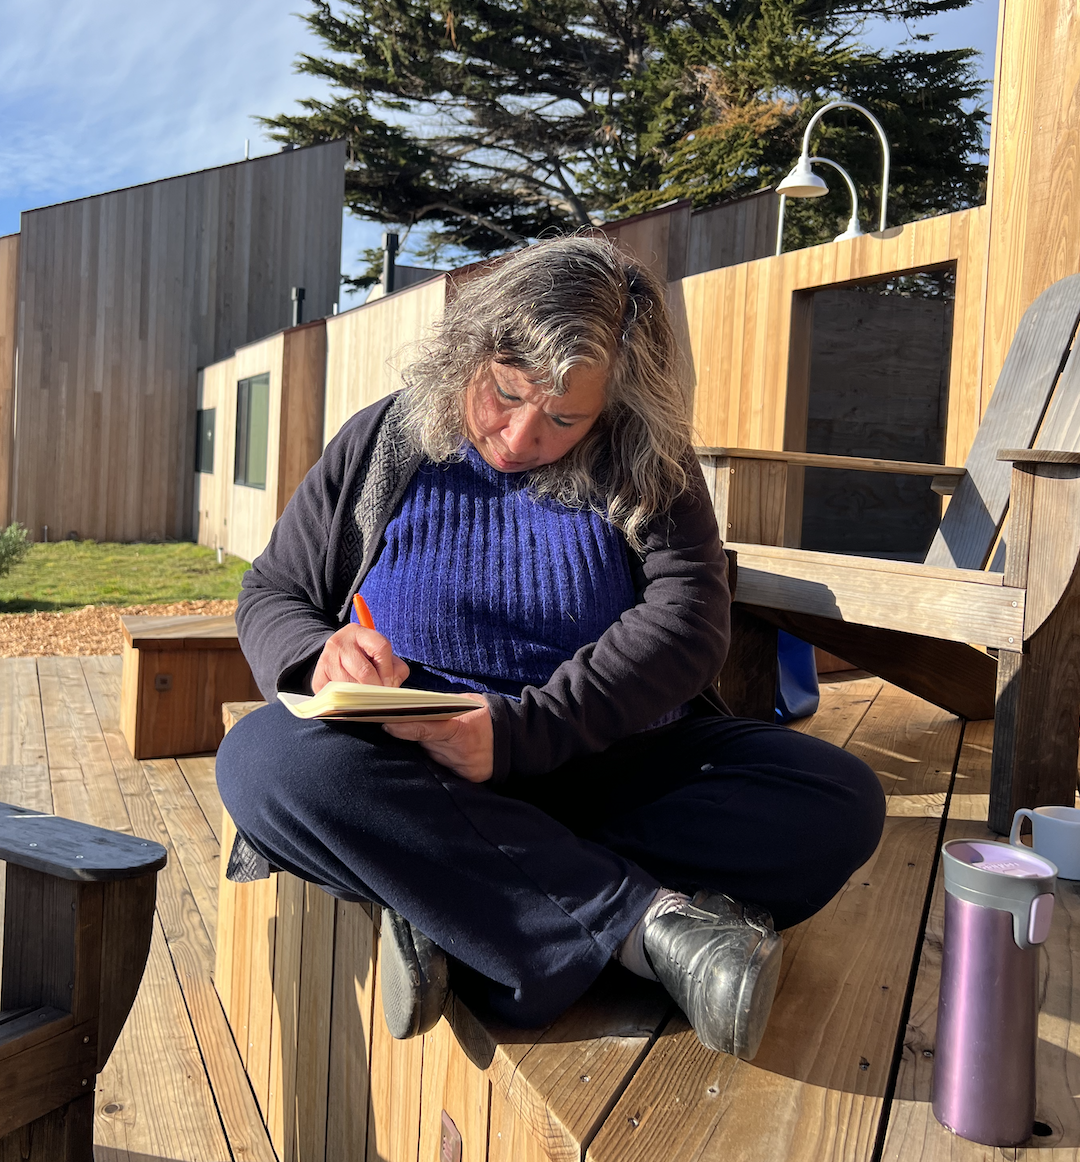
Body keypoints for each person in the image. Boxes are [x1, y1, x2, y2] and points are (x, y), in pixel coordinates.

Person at [215, 234, 885, 1060]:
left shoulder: (648, 457)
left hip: (600, 758)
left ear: (615, 402)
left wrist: (523, 732)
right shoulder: (385, 441)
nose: (519, 435)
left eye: (565, 419)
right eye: (504, 394)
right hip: (414, 765)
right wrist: (319, 654)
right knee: (266, 764)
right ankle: (647, 928)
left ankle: (459, 903)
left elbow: (688, 621)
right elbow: (272, 592)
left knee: (837, 799)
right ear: (470, 351)